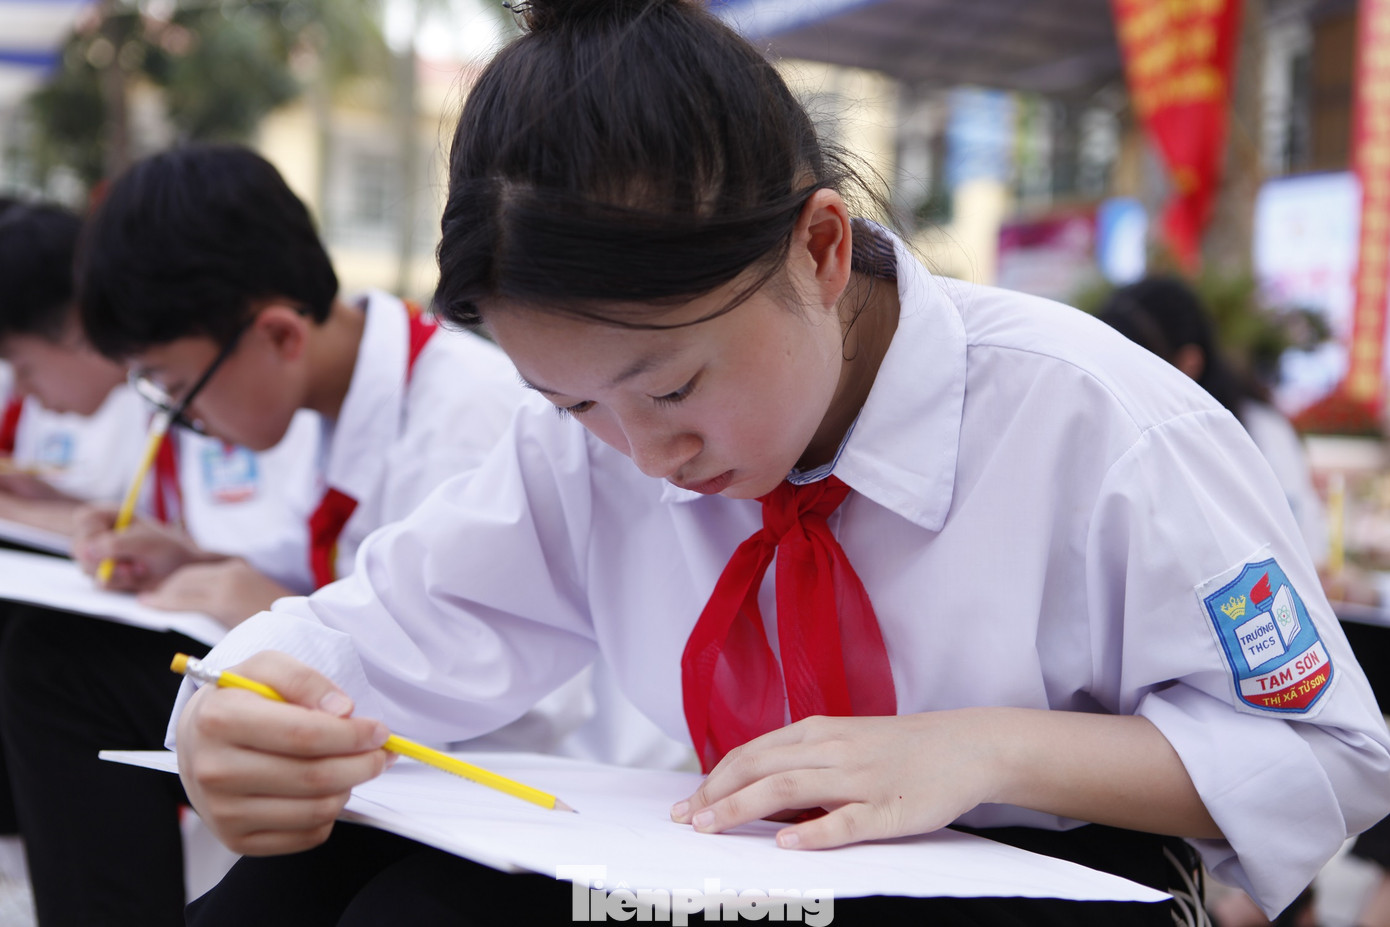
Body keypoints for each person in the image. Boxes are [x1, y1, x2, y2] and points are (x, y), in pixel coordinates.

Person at [169, 2, 1390, 925]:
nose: (647, 454)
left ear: (816, 248)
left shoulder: (1101, 427)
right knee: (331, 885)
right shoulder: (586, 448)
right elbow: (372, 633)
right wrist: (237, 711)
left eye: (673, 387)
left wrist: (977, 750)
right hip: (746, 879)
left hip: (1031, 882)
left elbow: (1329, 754)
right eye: (574, 402)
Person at [0, 200, 150, 536]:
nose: (21, 390)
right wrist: (46, 499)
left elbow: (139, 543)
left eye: (25, 367)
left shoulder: (168, 398)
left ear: (76, 326)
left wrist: (15, 511)